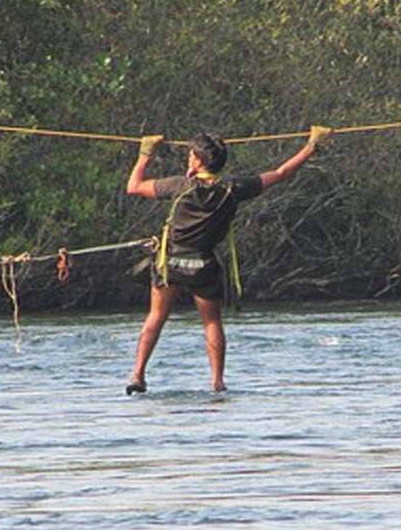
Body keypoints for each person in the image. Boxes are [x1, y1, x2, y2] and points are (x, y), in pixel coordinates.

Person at [124, 125, 331, 394]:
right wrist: (312, 146)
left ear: (198, 161)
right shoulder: (233, 189)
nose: (188, 159)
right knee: (211, 322)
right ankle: (217, 382)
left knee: (156, 317)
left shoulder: (179, 185)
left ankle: (138, 375)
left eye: (190, 156)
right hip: (203, 266)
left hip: (170, 263)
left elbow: (133, 187)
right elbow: (282, 173)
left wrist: (145, 153)